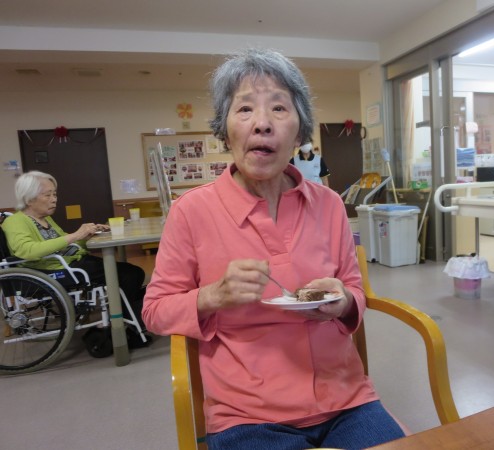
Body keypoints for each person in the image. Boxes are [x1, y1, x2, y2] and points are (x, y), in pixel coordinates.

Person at [142, 48, 406, 449]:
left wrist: (343, 301)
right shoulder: (191, 211)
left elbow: (353, 289)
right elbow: (155, 310)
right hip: (246, 414)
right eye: (245, 109)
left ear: (299, 134)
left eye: (279, 108)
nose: (262, 123)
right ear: (224, 129)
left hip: (345, 399)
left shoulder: (329, 204)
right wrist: (213, 296)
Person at [1, 171, 148, 338]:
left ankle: (127, 312)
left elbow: (67, 243)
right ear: (28, 199)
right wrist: (76, 235)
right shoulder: (15, 221)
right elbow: (26, 250)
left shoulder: (45, 218)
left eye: (54, 194)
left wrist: (88, 236)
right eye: (48, 195)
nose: (54, 199)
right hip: (56, 270)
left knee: (130, 272)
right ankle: (122, 319)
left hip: (73, 262)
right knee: (131, 274)